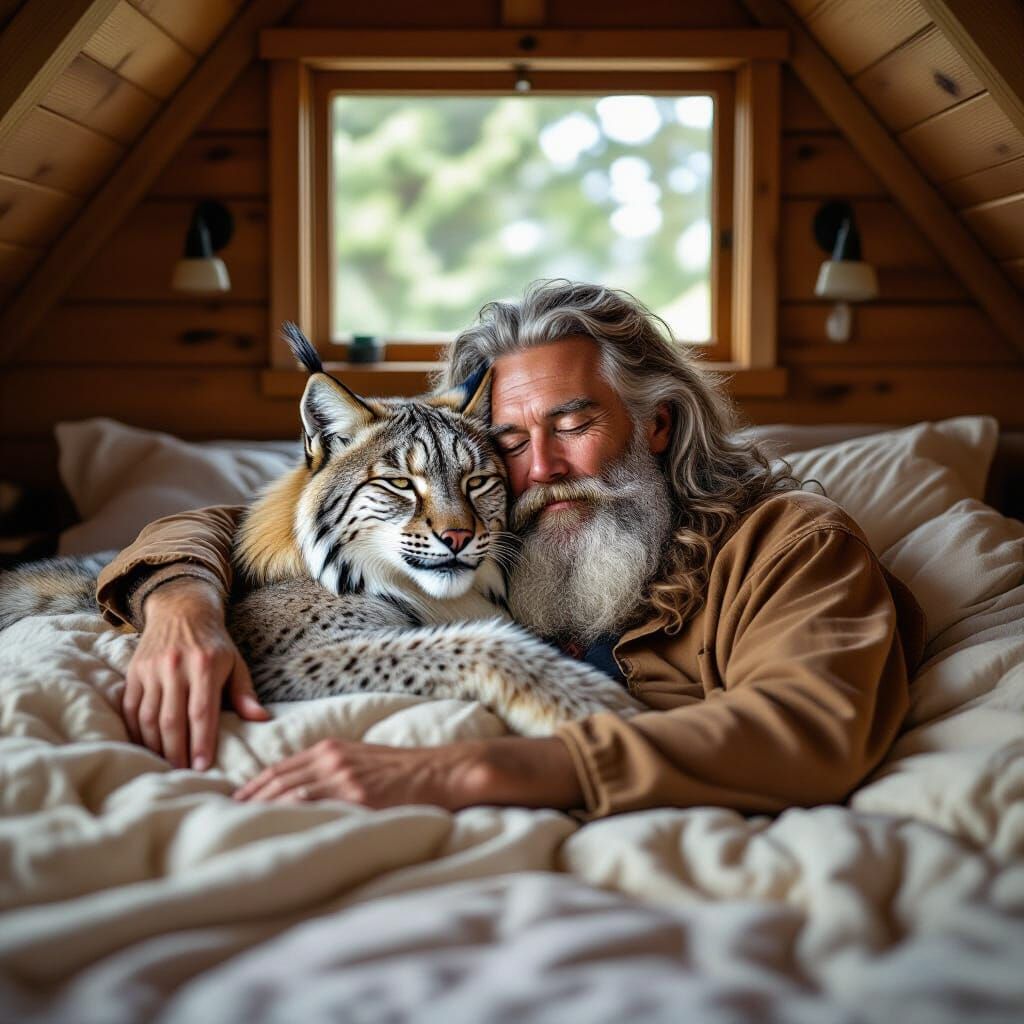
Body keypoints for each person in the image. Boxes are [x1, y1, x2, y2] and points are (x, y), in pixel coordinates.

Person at [95, 280, 925, 820]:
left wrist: (471, 773)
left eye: (573, 422)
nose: (541, 466)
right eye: (508, 440)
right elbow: (241, 522)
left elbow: (809, 729)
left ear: (658, 422)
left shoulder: (787, 542)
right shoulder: (496, 513)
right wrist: (180, 606)